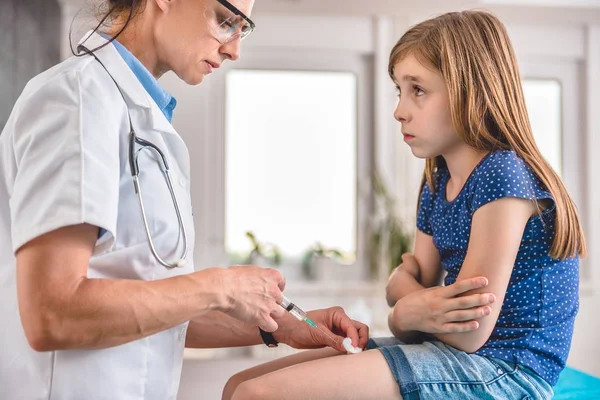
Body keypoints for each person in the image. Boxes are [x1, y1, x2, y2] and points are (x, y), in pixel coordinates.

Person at [0, 0, 369, 399]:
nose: (234, 49)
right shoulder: (77, 99)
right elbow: (52, 312)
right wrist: (221, 286)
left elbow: (157, 308)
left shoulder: (146, 122)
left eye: (242, 29)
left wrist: (279, 326)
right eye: (226, 20)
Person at [223, 10, 587, 400]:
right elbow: (418, 304)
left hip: (508, 372)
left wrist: (402, 306)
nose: (400, 109)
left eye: (418, 90)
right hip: (454, 354)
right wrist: (408, 301)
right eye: (399, 90)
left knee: (257, 396)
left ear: (471, 90)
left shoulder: (503, 174)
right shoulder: (437, 179)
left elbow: (469, 330)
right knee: (237, 386)